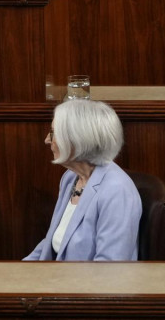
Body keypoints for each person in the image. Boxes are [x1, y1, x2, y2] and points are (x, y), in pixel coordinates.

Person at [24, 98, 142, 261]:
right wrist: (18, 273)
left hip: (88, 285)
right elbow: (52, 242)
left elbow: (110, 267)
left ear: (76, 139)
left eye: (53, 133)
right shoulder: (70, 178)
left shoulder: (117, 191)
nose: (47, 140)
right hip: (58, 280)